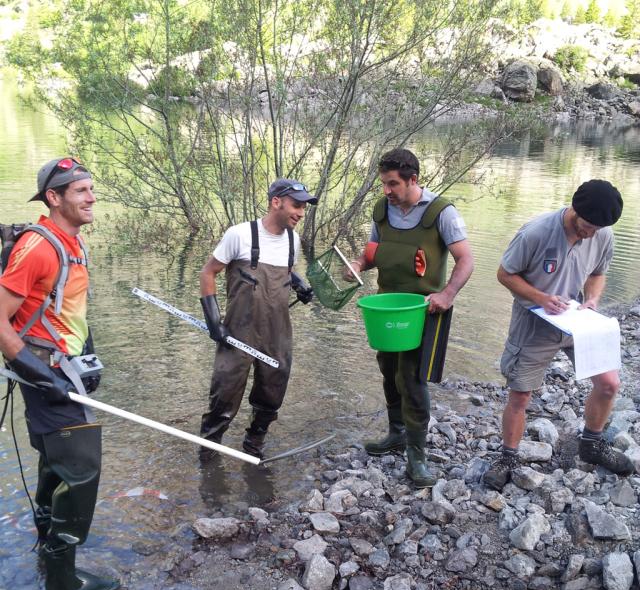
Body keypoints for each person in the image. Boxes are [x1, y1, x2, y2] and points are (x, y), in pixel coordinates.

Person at [0, 158, 120, 590]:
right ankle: (62, 579)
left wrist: (87, 360)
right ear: (54, 197)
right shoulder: (39, 247)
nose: (91, 197)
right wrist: (40, 375)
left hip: (65, 368)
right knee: (82, 469)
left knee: (57, 463)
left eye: (91, 188)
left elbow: (65, 314)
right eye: (80, 190)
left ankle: (45, 544)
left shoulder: (72, 241)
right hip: (45, 374)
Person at [483, 179, 634, 491]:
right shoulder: (536, 232)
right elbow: (504, 274)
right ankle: (508, 457)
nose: (591, 233)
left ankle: (591, 444)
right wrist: (541, 298)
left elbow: (597, 273)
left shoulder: (603, 232)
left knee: (609, 384)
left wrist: (592, 300)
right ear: (574, 210)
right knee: (521, 394)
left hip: (577, 320)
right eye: (587, 226)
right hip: (535, 322)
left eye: (597, 229)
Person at [346, 148, 474, 487]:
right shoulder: (382, 210)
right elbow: (373, 251)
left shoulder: (441, 212)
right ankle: (397, 433)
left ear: (413, 179)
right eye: (383, 184)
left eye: (392, 184)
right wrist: (358, 265)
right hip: (386, 308)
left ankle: (417, 455)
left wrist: (447, 295)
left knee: (412, 378)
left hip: (425, 310)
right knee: (388, 369)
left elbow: (466, 260)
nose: (386, 191)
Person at [199, 179, 317, 459]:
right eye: (296, 205)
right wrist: (213, 319)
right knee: (224, 395)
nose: (301, 213)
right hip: (238, 331)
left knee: (272, 394)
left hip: (277, 332)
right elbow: (208, 272)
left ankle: (254, 445)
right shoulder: (239, 235)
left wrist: (299, 284)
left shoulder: (293, 239)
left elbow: (286, 272)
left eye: (304, 207)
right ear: (276, 202)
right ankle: (209, 453)